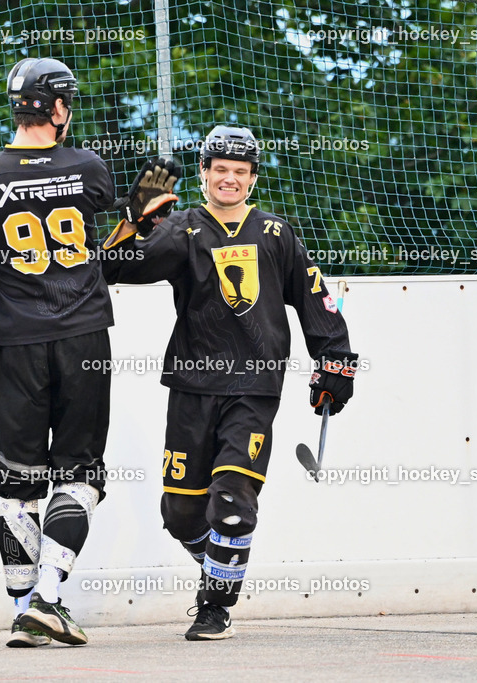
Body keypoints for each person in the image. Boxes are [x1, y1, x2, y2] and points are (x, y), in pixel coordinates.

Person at [101, 126, 359, 640]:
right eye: (220, 169)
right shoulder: (181, 229)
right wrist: (132, 223)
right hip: (192, 385)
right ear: (203, 173)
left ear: (253, 179)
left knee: (233, 501)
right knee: (180, 512)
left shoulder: (276, 234)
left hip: (255, 386)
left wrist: (336, 361)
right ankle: (220, 563)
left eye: (240, 172)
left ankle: (215, 606)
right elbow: (112, 268)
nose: (229, 179)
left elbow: (316, 300)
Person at [0, 57, 116, 648]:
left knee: (16, 483)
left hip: (15, 345)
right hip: (85, 336)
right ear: (57, 107)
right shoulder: (89, 168)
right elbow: (108, 237)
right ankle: (51, 601)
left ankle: (24, 609)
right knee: (79, 475)